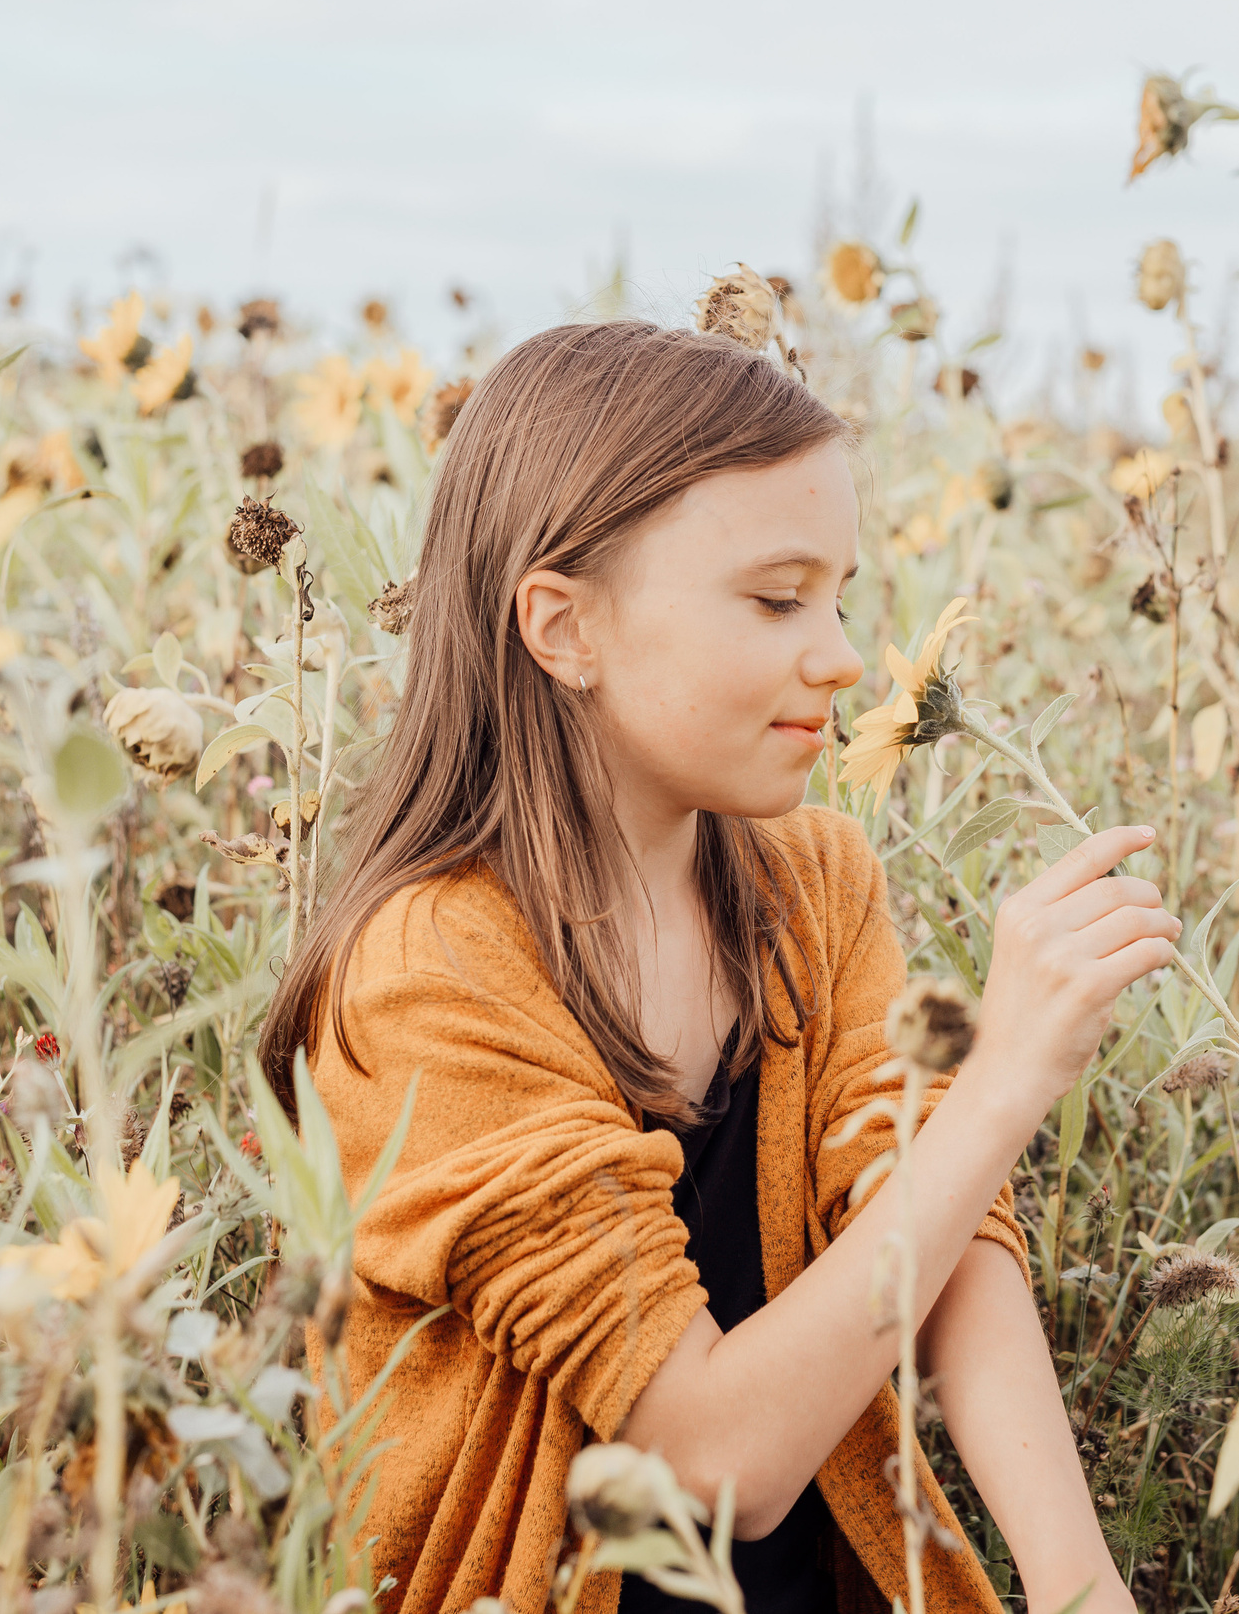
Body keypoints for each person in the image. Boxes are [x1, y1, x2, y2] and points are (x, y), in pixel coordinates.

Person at [268, 320, 1177, 1614]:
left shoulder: (817, 880)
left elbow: (943, 1230)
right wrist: (1007, 1075)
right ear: (563, 626)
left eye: (843, 594)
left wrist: (1081, 1585)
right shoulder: (427, 968)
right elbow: (710, 1453)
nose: (846, 655)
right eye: (776, 596)